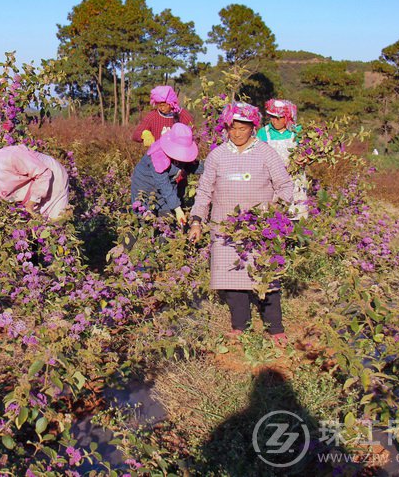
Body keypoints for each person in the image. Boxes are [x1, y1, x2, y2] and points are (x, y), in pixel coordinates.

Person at [188, 102, 293, 345]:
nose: (237, 133)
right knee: (232, 279)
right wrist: (196, 221)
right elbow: (204, 191)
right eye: (232, 128)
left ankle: (274, 328)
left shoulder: (266, 153)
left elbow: (285, 186)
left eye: (242, 128)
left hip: (260, 228)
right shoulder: (217, 155)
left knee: (266, 278)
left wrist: (274, 214)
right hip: (224, 228)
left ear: (252, 128)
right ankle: (240, 326)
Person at [0, 145, 69, 265]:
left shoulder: (9, 157)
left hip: (53, 178)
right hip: (31, 188)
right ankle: (38, 268)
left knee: (55, 228)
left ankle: (61, 269)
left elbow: (43, 173)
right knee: (35, 231)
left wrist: (32, 202)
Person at [131, 123, 203, 225]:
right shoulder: (158, 155)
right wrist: (178, 210)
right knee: (145, 220)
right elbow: (163, 184)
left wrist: (212, 166)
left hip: (166, 188)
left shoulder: (181, 153)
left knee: (166, 219)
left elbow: (191, 165)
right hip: (144, 188)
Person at [257, 99, 307, 219]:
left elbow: (309, 152)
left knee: (296, 215)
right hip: (273, 181)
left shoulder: (298, 131)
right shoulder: (264, 133)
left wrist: (305, 158)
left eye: (278, 118)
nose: (274, 121)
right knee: (273, 214)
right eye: (272, 117)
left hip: (296, 180)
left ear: (287, 118)